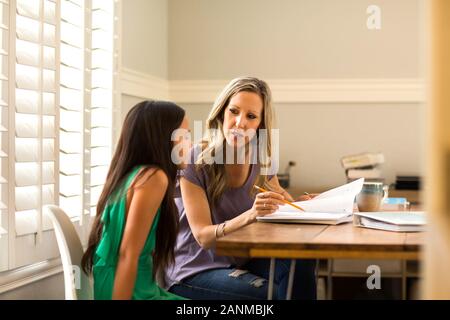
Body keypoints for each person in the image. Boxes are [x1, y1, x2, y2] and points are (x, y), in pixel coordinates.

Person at [165, 77, 317, 300]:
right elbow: (203, 237)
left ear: (260, 125)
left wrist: (302, 204)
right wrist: (251, 215)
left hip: (241, 259)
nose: (240, 123)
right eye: (234, 111)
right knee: (273, 296)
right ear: (221, 113)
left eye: (251, 116)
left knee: (300, 264)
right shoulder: (195, 160)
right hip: (195, 268)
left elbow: (284, 203)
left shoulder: (261, 160)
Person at [81, 100, 190, 300]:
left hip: (121, 283)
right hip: (128, 290)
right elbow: (127, 254)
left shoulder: (132, 175)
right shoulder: (154, 178)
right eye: (184, 136)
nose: (190, 144)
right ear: (162, 138)